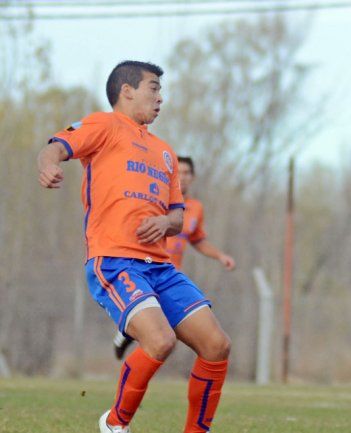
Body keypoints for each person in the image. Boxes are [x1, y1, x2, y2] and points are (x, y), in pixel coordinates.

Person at [37, 60, 231, 433]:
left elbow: (178, 216)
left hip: (160, 267)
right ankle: (114, 423)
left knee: (217, 345)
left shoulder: (165, 153)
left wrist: (166, 222)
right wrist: (47, 165)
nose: (161, 97)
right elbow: (56, 147)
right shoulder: (104, 125)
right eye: (153, 88)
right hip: (114, 260)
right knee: (160, 341)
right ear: (127, 91)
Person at [112, 155, 236, 360]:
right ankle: (128, 331)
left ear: (193, 177)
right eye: (179, 173)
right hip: (147, 269)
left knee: (169, 332)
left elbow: (197, 240)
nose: (183, 178)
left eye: (187, 173)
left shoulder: (195, 208)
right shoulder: (156, 199)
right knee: (160, 331)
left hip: (171, 274)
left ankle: (128, 334)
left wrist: (221, 256)